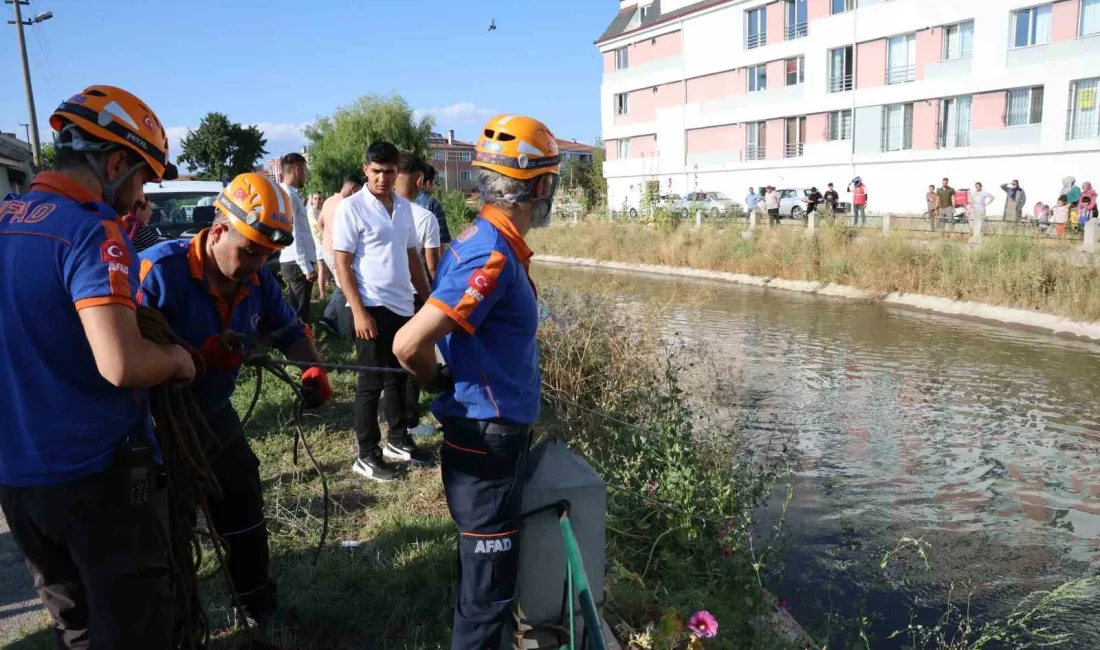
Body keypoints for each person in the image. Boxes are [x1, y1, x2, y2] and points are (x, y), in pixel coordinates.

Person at [0, 85, 195, 649]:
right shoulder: (91, 232)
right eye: (139, 180)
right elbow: (122, 363)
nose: (139, 199)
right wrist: (176, 360)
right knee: (133, 626)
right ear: (113, 163)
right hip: (96, 482)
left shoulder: (8, 220)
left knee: (77, 627)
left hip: (19, 481)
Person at [393, 113, 560, 650]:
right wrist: (439, 381)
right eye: (551, 180)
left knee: (484, 575)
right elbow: (408, 344)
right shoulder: (489, 252)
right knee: (489, 593)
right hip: (487, 440)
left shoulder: (487, 239)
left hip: (491, 436)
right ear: (536, 185)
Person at [138, 172, 329, 630]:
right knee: (167, 535)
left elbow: (288, 331)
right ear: (219, 229)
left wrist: (311, 365)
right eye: (250, 252)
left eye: (267, 256)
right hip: (154, 428)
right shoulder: (156, 272)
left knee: (243, 502)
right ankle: (179, 625)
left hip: (214, 417)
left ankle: (259, 605)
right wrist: (194, 360)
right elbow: (121, 358)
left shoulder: (259, 279)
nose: (257, 265)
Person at [332, 141, 433, 482]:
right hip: (370, 305)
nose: (382, 179)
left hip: (402, 304)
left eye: (389, 172)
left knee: (400, 377)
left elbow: (412, 259)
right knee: (370, 382)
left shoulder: (404, 208)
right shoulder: (352, 208)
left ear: (397, 173)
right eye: (376, 172)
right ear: (366, 170)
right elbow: (342, 263)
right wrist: (359, 312)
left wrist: (428, 298)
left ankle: (399, 440)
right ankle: (367, 454)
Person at [394, 151, 442, 438]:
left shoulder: (380, 211)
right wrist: (435, 297)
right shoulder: (425, 217)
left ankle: (394, 420)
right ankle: (409, 423)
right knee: (412, 357)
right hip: (414, 295)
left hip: (382, 298)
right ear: (421, 180)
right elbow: (433, 264)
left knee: (387, 364)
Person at [315, 175, 363, 338]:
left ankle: (327, 317)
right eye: (359, 190)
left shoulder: (329, 201)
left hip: (328, 250)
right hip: (338, 253)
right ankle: (345, 333)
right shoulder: (344, 205)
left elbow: (319, 223)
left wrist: (324, 238)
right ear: (353, 188)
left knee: (340, 285)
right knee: (345, 288)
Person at [277, 152, 318, 322]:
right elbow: (295, 234)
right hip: (296, 262)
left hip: (293, 260)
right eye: (306, 170)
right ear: (297, 170)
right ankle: (300, 344)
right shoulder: (289, 196)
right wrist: (306, 267)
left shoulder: (285, 193)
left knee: (297, 309)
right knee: (299, 313)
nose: (307, 175)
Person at [416, 164, 452, 246]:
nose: (436, 186)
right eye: (435, 183)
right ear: (428, 184)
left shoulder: (403, 201)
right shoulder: (432, 203)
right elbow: (441, 239)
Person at [307, 191, 327, 298]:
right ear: (312, 200)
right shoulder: (311, 211)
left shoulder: (321, 210)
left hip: (325, 241)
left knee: (325, 269)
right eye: (315, 198)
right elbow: (317, 226)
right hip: (319, 243)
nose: (317, 201)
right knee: (322, 268)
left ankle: (324, 292)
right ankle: (322, 295)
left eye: (319, 198)